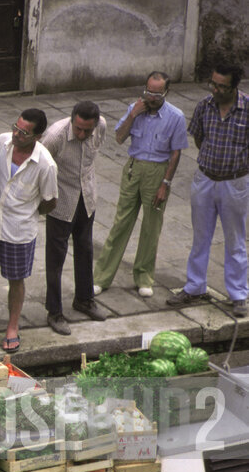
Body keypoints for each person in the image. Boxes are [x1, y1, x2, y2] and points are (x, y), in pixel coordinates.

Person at [0, 110, 58, 354]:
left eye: (24, 132)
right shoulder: (2, 141)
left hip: (19, 228)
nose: (17, 134)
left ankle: (12, 327)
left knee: (15, 278)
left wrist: (26, 211)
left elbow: (50, 201)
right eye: (16, 127)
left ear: (37, 136)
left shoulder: (45, 164)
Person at [167, 61, 249, 317]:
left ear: (234, 87)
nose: (215, 89)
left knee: (235, 240)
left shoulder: (247, 109)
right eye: (213, 84)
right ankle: (194, 286)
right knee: (200, 236)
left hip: (235, 182)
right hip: (205, 178)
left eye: (222, 86)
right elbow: (199, 137)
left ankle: (238, 294)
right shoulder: (205, 105)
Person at [94, 72, 187, 299]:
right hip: (134, 167)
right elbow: (119, 138)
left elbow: (176, 153)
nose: (151, 98)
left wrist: (165, 183)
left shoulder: (176, 116)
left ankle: (144, 276)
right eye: (148, 92)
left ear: (166, 92)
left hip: (158, 170)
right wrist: (132, 115)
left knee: (151, 226)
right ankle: (101, 277)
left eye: (157, 94)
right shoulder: (135, 108)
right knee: (121, 223)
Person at [41, 101, 108, 334]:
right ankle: (54, 311)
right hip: (61, 199)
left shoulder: (101, 126)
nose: (81, 134)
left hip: (86, 196)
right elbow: (39, 166)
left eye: (86, 131)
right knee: (56, 257)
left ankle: (84, 299)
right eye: (78, 128)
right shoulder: (55, 137)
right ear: (71, 120)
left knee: (85, 248)